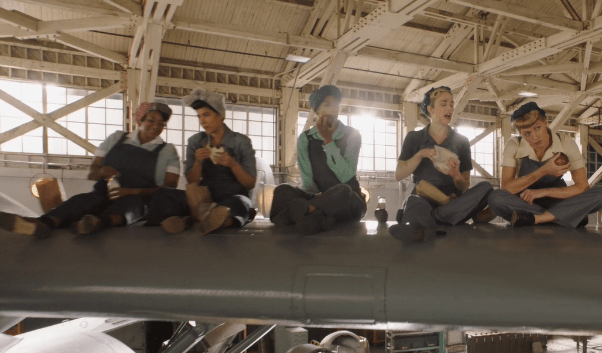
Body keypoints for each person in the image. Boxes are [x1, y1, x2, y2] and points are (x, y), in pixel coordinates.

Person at [0, 102, 179, 237]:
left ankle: (96, 223)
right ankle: (43, 224)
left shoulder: (167, 150)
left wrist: (131, 191)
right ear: (140, 119)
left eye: (161, 124)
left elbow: (169, 189)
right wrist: (102, 172)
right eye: (151, 120)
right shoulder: (117, 138)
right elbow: (93, 172)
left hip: (139, 198)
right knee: (81, 201)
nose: (156, 126)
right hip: (104, 192)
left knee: (131, 208)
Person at [390, 86, 494, 243]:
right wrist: (419, 155)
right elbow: (399, 175)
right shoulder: (414, 138)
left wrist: (456, 175)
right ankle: (425, 223)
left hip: (452, 201)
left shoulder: (462, 141)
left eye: (451, 104)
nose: (450, 108)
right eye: (444, 104)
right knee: (414, 200)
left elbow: (464, 187)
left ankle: (426, 222)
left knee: (486, 187)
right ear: (430, 109)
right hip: (424, 197)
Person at [147, 89, 256, 235]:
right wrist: (198, 162)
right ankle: (192, 219)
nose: (202, 121)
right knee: (163, 194)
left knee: (240, 203)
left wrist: (233, 164)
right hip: (202, 199)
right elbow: (192, 182)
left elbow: (250, 184)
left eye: (206, 114)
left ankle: (218, 219)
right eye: (199, 116)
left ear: (221, 115)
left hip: (232, 196)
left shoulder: (241, 142)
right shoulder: (195, 141)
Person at [487, 101, 602, 227]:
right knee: (495, 198)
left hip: (557, 201)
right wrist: (544, 170)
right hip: (525, 203)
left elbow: (582, 187)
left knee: (601, 194)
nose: (535, 137)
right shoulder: (513, 145)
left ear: (545, 122)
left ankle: (536, 219)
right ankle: (562, 216)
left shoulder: (566, 142)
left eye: (537, 128)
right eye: (527, 134)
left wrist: (543, 192)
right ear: (520, 134)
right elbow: (506, 188)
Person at [269, 84, 367, 234]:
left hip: (346, 198)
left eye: (336, 104)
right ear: (316, 110)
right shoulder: (306, 139)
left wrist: (328, 142)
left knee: (343, 191)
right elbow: (307, 179)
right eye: (327, 104)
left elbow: (346, 175)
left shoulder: (352, 135)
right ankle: (317, 217)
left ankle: (305, 212)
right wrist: (314, 197)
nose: (333, 109)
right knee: (283, 190)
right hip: (317, 197)